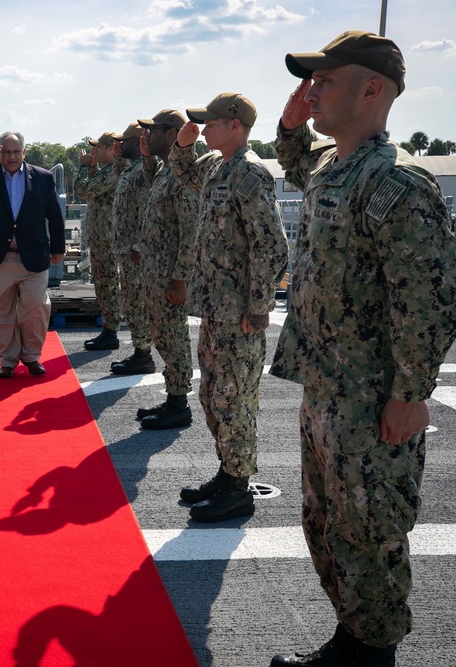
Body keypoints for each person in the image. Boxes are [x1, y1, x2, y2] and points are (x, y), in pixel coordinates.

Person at [269, 31, 456, 666]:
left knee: (370, 531)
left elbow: (438, 296)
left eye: (325, 80)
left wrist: (410, 395)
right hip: (326, 387)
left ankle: (371, 652)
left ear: (372, 90)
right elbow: (298, 169)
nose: (312, 90)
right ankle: (351, 641)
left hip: (370, 399)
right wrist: (291, 125)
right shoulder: (337, 168)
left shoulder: (396, 181)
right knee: (326, 528)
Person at [169, 93, 288, 520]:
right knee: (212, 397)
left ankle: (238, 489)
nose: (204, 130)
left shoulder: (250, 174)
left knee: (233, 400)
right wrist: (183, 146)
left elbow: (271, 247)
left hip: (239, 314)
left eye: (211, 123)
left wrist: (258, 308)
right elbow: (183, 175)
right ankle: (228, 471)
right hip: (216, 311)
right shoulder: (219, 167)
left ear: (235, 125)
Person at [0, 131, 66, 378]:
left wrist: (58, 248)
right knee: (1, 313)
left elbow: (55, 216)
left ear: (24, 152)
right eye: (6, 151)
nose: (12, 156)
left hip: (32, 257)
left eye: (17, 151)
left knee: (36, 308)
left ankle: (31, 356)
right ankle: (8, 359)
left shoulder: (42, 177)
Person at [132, 110, 198, 430]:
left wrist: (180, 278)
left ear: (172, 135)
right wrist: (146, 158)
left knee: (174, 336)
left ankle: (179, 404)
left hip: (169, 275)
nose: (148, 136)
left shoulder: (184, 175)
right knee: (163, 336)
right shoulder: (167, 170)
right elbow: (152, 185)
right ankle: (173, 395)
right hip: (156, 272)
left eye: (154, 130)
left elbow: (190, 231)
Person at [108, 121, 158, 376]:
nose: (120, 146)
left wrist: (138, 246)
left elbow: (146, 211)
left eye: (124, 142)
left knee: (137, 304)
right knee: (130, 303)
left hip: (134, 253)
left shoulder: (143, 173)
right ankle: (140, 351)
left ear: (137, 143)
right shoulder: (132, 169)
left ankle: (143, 354)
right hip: (125, 250)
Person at [74, 131, 123, 351]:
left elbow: (84, 190)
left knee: (108, 285)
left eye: (99, 148)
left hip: (107, 240)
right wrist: (92, 166)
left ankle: (111, 331)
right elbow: (95, 189)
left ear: (112, 149)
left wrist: (84, 166)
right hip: (101, 239)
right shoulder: (108, 171)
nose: (95, 152)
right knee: (103, 285)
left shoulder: (114, 171)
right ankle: (108, 328)